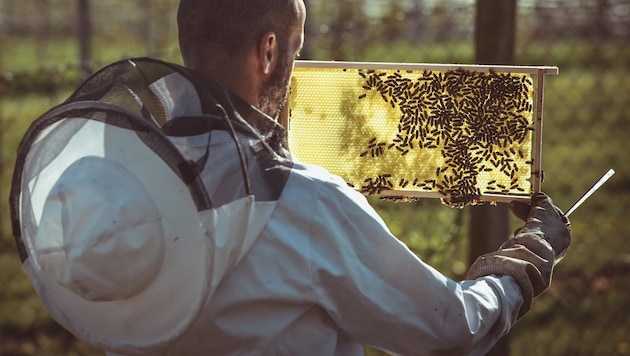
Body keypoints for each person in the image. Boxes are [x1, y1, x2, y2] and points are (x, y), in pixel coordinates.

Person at [13, 0, 571, 355]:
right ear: (269, 50)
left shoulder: (119, 189)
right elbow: (446, 327)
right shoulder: (304, 204)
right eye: (297, 51)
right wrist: (525, 261)